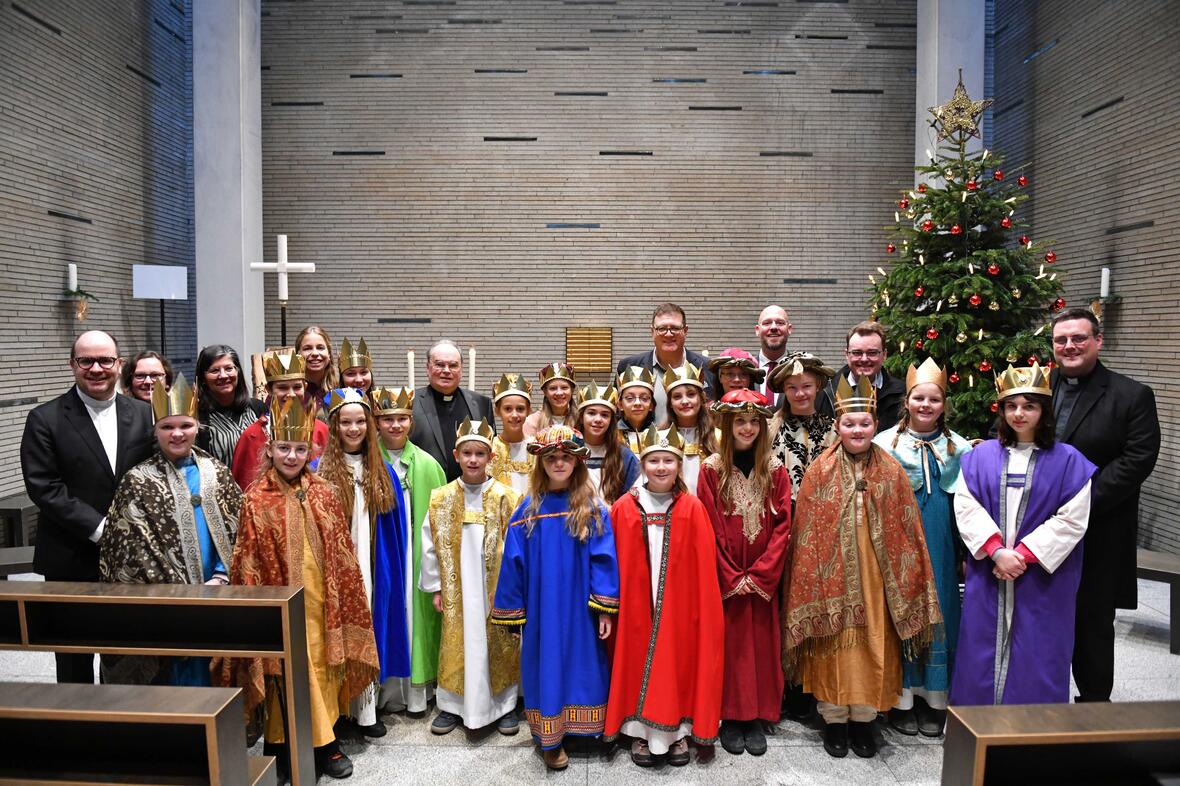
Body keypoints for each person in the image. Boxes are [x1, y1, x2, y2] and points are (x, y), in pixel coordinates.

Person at [783, 376, 942, 760]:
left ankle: (865, 720)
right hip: (831, 582)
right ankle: (835, 720)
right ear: (837, 426)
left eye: (865, 423)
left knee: (875, 644)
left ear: (876, 426)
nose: (857, 430)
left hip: (877, 579)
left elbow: (907, 529)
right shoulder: (819, 471)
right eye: (849, 424)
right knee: (835, 649)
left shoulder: (891, 470)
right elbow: (806, 534)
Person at [221, 395, 378, 781]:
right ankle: (280, 743)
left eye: (300, 448)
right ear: (270, 448)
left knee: (322, 668)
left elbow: (342, 552)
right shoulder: (256, 499)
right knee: (283, 670)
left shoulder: (324, 491)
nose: (292, 456)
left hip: (322, 602)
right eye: (284, 448)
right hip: (279, 605)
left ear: (311, 450)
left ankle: (326, 745)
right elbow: (246, 559)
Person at [952, 363, 1096, 706]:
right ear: (1001, 410)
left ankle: (1034, 734)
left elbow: (1072, 520)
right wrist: (997, 551)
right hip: (991, 569)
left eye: (1029, 406)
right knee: (980, 646)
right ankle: (977, 727)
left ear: (1043, 411)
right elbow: (966, 506)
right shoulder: (979, 457)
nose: (1019, 414)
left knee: (1040, 650)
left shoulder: (1069, 462)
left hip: (1044, 578)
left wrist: (1023, 555)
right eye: (1011, 406)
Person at [21, 330, 155, 683]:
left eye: (105, 360)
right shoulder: (44, 418)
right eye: (86, 361)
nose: (96, 368)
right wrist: (102, 530)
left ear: (119, 364)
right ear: (72, 365)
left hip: (133, 557)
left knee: (130, 653)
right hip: (71, 555)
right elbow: (44, 487)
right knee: (74, 657)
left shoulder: (144, 414)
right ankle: (78, 735)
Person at [491, 425, 619, 771]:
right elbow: (512, 563)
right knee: (546, 664)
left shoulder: (593, 509)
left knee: (584, 664)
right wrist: (513, 614)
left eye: (566, 457)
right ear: (541, 463)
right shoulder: (528, 511)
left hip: (581, 608)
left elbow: (604, 559)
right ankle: (551, 738)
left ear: (578, 462)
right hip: (543, 608)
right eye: (552, 458)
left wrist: (605, 609)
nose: (559, 463)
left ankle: (584, 728)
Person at [99, 374, 239, 686]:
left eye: (185, 425)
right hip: (166, 605)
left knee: (214, 676)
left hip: (217, 593)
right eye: (167, 427)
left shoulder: (217, 472)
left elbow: (237, 529)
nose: (177, 434)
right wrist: (178, 593)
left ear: (197, 426)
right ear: (155, 430)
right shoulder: (138, 480)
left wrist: (221, 574)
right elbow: (129, 552)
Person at [1049, 308, 1160, 703]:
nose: (1070, 346)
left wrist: (1077, 507)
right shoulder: (1038, 387)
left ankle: (1094, 707)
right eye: (1061, 340)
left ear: (1098, 340)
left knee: (1092, 622)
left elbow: (1137, 460)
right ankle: (1039, 700)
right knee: (1043, 617)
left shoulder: (1131, 395)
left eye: (1078, 338)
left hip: (1098, 530)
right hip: (1038, 527)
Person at [604, 425, 725, 767]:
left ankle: (677, 732)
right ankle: (641, 733)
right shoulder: (624, 508)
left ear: (679, 465)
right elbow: (613, 560)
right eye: (654, 460)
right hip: (636, 604)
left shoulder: (692, 508)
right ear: (643, 465)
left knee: (678, 659)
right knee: (636, 657)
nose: (660, 467)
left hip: (679, 605)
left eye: (668, 461)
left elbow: (703, 568)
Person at [873, 358, 971, 737]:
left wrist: (964, 552)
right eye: (919, 399)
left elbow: (969, 506)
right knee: (901, 608)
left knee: (941, 609)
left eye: (934, 399)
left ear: (943, 404)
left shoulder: (959, 449)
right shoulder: (885, 444)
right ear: (907, 401)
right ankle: (901, 701)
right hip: (897, 542)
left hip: (942, 542)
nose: (925, 406)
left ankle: (935, 700)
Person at [697, 389, 791, 757]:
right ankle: (731, 715)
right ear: (727, 424)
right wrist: (732, 575)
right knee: (731, 645)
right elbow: (710, 525)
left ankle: (755, 717)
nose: (748, 427)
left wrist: (763, 573)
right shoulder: (711, 470)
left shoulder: (776, 469)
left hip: (762, 581)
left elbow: (783, 526)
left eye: (754, 421)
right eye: (740, 421)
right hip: (728, 578)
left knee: (762, 645)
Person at [315, 387, 410, 737]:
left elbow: (394, 531)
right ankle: (339, 711)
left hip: (373, 566)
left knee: (371, 625)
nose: (353, 429)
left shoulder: (383, 471)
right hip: (338, 569)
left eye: (359, 422)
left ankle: (367, 711)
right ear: (334, 426)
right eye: (345, 423)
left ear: (370, 426)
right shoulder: (318, 471)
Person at [419, 417, 522, 735]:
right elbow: (430, 543)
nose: (473, 460)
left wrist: (514, 589)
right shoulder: (442, 497)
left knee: (499, 641)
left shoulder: (507, 496)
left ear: (492, 457)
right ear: (456, 455)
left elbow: (516, 546)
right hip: (457, 589)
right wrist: (436, 586)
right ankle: (452, 705)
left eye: (480, 454)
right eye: (467, 454)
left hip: (496, 590)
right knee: (456, 641)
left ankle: (504, 705)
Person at [368, 385, 448, 715]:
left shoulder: (428, 465)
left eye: (402, 419)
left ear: (411, 422)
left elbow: (442, 519)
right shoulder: (369, 463)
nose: (395, 426)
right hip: (384, 555)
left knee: (418, 617)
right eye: (388, 420)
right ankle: (384, 693)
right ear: (377, 423)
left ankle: (418, 692)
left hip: (417, 554)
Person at [231, 351, 330, 490]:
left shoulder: (320, 430)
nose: (290, 394)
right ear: (269, 390)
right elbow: (242, 488)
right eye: (282, 387)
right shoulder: (252, 435)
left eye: (297, 387)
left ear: (305, 387)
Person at [410, 340, 496, 481]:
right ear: (427, 368)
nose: (446, 370)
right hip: (426, 489)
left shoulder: (481, 403)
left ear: (461, 369)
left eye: (453, 365)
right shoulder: (412, 403)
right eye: (439, 364)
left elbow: (490, 451)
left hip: (471, 492)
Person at [615, 303, 717, 415]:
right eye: (662, 328)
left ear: (685, 331)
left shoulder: (709, 367)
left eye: (675, 328)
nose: (668, 334)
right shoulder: (628, 366)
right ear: (652, 332)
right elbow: (616, 413)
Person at [767, 352, 838, 506]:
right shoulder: (769, 429)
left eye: (806, 386)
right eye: (792, 387)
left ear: (817, 385)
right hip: (782, 516)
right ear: (784, 389)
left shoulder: (834, 430)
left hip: (823, 514)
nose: (800, 394)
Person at [817, 322, 905, 432]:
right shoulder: (826, 393)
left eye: (872, 353)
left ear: (884, 355)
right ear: (847, 355)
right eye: (857, 353)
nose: (864, 359)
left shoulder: (902, 393)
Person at [194, 344, 266, 470]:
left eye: (228, 368)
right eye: (214, 370)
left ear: (237, 371)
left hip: (260, 487)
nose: (223, 375)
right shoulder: (197, 418)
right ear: (203, 377)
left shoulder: (258, 408)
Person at [578, 383, 640, 504]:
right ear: (581, 417)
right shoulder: (569, 451)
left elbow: (632, 499)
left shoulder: (624, 456)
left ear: (612, 420)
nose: (598, 419)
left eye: (605, 415)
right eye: (591, 413)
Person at [659, 365, 716, 494]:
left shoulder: (720, 437)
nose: (685, 401)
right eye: (677, 397)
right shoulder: (659, 438)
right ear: (670, 404)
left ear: (701, 398)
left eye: (691, 394)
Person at [489, 373, 534, 494]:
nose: (514, 415)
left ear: (529, 410)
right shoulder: (489, 448)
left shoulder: (536, 448)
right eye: (508, 409)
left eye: (520, 409)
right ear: (497, 411)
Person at [523, 362, 577, 437]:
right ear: (545, 392)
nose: (559, 393)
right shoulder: (531, 422)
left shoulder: (581, 421)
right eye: (553, 388)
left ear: (572, 390)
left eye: (564, 387)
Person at [755, 305, 793, 407]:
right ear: (757, 330)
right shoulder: (745, 371)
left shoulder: (801, 369)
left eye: (780, 323)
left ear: (789, 329)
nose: (773, 327)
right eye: (767, 323)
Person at [615, 366, 657, 455]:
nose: (637, 403)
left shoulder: (660, 435)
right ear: (620, 404)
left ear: (651, 405)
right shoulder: (611, 435)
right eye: (630, 398)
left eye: (644, 398)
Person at [295, 325, 338, 403]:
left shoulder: (341, 392)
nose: (315, 353)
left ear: (329, 354)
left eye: (320, 348)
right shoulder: (288, 393)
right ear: (298, 355)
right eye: (307, 348)